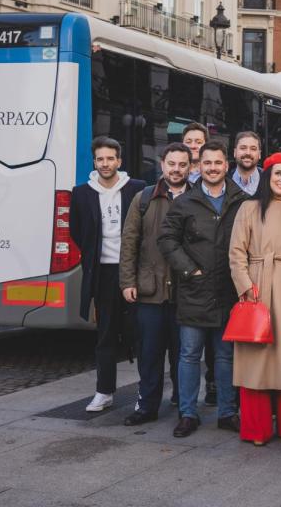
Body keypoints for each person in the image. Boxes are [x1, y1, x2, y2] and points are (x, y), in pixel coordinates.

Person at [158, 141, 250, 438]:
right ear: (200, 166)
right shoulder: (185, 202)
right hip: (194, 290)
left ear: (227, 165)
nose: (212, 168)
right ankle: (188, 413)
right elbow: (167, 240)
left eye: (218, 163)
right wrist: (190, 269)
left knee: (226, 357)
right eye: (207, 163)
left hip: (227, 291)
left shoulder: (242, 200)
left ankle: (227, 412)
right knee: (188, 356)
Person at [228, 153, 281, 445]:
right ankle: (256, 429)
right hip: (258, 284)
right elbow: (237, 251)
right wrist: (245, 285)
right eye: (278, 174)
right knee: (257, 358)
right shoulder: (249, 208)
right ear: (268, 176)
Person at [71, 137, 147, 412]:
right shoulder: (81, 193)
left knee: (141, 333)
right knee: (105, 334)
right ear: (95, 161)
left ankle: (145, 392)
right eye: (100, 159)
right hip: (102, 273)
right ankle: (104, 392)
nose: (105, 163)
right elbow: (77, 232)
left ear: (119, 161)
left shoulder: (138, 189)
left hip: (133, 271)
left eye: (110, 158)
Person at [118, 143, 191, 425]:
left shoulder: (197, 198)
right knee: (149, 355)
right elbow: (129, 242)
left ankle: (185, 407)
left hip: (186, 293)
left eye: (182, 165)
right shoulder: (144, 198)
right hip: (149, 291)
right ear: (162, 165)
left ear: (189, 166)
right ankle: (146, 407)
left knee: (183, 356)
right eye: (171, 164)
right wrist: (127, 281)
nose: (176, 169)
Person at [181, 122, 214, 403]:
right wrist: (190, 269)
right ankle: (185, 405)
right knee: (188, 351)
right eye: (189, 141)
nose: (193, 145)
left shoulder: (231, 193)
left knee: (222, 352)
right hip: (189, 282)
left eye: (198, 141)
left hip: (220, 284)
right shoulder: (177, 188)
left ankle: (222, 400)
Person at [230, 131, 262, 196]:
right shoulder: (224, 179)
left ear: (259, 154)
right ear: (235, 152)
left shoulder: (269, 180)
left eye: (253, 149)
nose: (248, 153)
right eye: (243, 148)